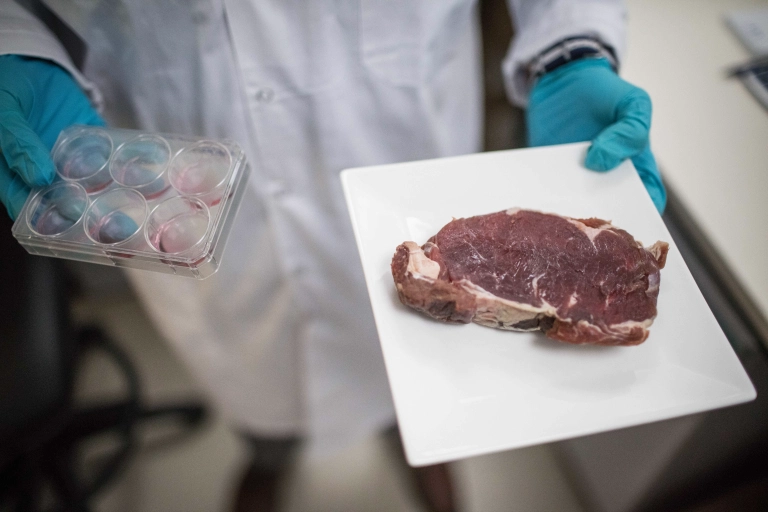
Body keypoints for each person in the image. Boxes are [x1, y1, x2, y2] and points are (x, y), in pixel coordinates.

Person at [0, 1, 665, 510]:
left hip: (401, 158)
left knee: (419, 370)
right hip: (185, 184)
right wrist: (15, 41)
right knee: (258, 388)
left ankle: (419, 448)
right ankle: (269, 452)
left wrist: (571, 46)